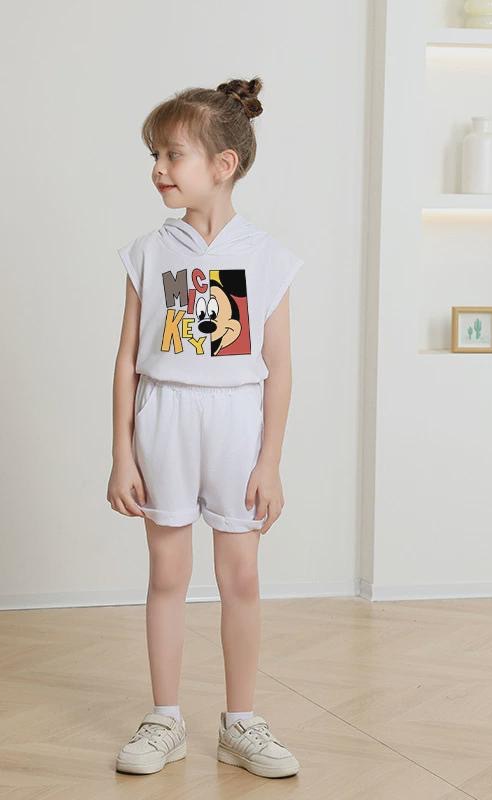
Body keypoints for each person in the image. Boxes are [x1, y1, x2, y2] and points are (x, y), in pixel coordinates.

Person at [108, 76, 302, 779]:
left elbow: (279, 368)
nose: (158, 170)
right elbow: (127, 360)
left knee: (240, 576)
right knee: (167, 572)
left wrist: (269, 461)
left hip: (235, 425)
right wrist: (122, 454)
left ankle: (240, 722)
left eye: (173, 155)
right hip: (164, 420)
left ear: (223, 164)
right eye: (155, 156)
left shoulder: (268, 257)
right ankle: (165, 718)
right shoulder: (148, 252)